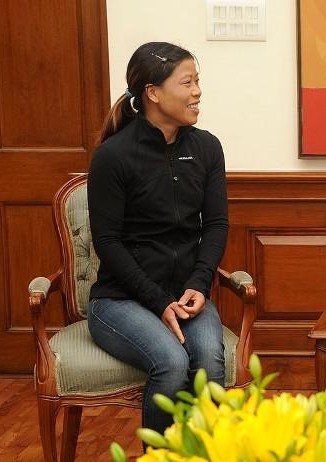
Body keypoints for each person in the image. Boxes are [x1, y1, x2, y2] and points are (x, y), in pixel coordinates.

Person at [86, 42, 228, 434]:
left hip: (185, 294)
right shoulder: (113, 156)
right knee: (171, 363)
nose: (197, 91)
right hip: (120, 301)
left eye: (197, 81)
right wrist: (158, 300)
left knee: (210, 364)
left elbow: (216, 224)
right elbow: (108, 242)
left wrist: (199, 283)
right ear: (153, 93)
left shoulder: (206, 148)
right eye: (187, 82)